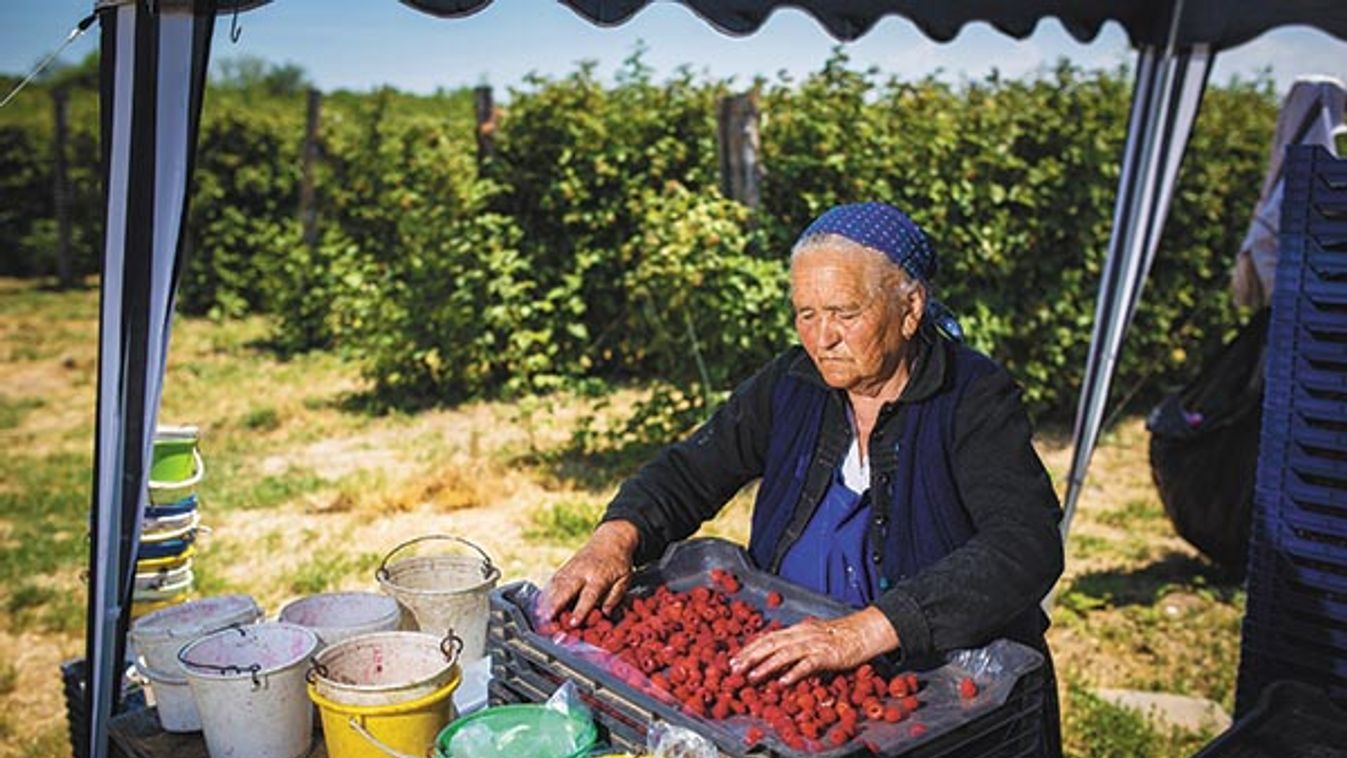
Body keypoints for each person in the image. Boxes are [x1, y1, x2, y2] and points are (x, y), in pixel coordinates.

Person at [540, 202, 1064, 755]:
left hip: (932, 698)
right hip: (795, 665)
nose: (822, 338)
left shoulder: (970, 397)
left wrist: (865, 630)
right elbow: (691, 469)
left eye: (844, 312)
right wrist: (614, 538)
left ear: (910, 308)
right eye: (805, 314)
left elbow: (1025, 545)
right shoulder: (793, 385)